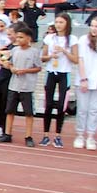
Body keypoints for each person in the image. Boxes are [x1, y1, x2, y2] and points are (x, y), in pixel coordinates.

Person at [0, 26, 43, 146]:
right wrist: (11, 67)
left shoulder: (34, 52)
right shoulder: (14, 50)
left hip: (27, 87)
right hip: (14, 85)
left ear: (28, 38)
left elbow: (38, 67)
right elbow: (6, 62)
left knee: (28, 112)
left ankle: (28, 136)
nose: (18, 39)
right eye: (17, 37)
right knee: (10, 111)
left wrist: (25, 71)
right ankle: (7, 133)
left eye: (21, 37)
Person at [40, 13, 79, 147]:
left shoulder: (72, 39)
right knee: (48, 104)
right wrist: (51, 56)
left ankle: (58, 135)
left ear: (67, 24)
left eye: (61, 22)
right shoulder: (49, 38)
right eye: (56, 22)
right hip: (51, 72)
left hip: (64, 73)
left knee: (62, 105)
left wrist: (64, 51)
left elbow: (76, 59)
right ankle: (45, 134)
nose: (58, 25)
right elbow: (42, 57)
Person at [74, 17, 97, 150]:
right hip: (83, 79)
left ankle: (90, 136)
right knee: (83, 109)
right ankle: (80, 135)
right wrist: (83, 79)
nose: (94, 29)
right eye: (93, 26)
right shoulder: (84, 39)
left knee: (95, 110)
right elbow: (81, 59)